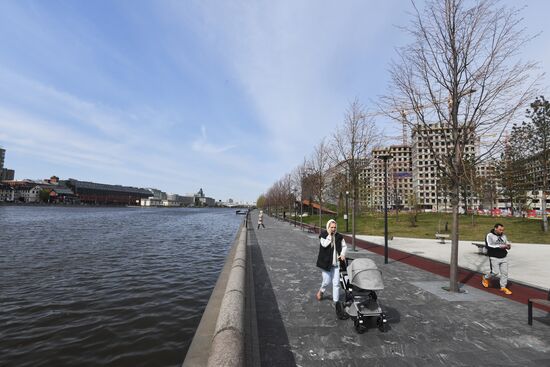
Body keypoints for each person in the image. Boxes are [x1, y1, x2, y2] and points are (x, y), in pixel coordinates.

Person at [315, 219, 347, 303]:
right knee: (326, 281)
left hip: (336, 264)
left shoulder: (339, 236)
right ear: (328, 227)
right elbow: (324, 244)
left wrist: (343, 254)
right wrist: (329, 236)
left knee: (336, 284)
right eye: (331, 227)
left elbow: (344, 246)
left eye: (335, 227)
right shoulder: (323, 235)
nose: (333, 229)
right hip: (325, 263)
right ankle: (321, 291)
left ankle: (336, 302)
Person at [482, 223, 512, 295]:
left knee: (505, 273)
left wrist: (508, 246)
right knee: (495, 272)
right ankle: (485, 277)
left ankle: (503, 287)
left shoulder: (504, 236)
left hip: (503, 256)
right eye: (500, 230)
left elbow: (506, 243)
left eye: (502, 230)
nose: (501, 231)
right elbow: (489, 245)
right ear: (495, 228)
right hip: (494, 256)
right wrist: (500, 246)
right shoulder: (489, 235)